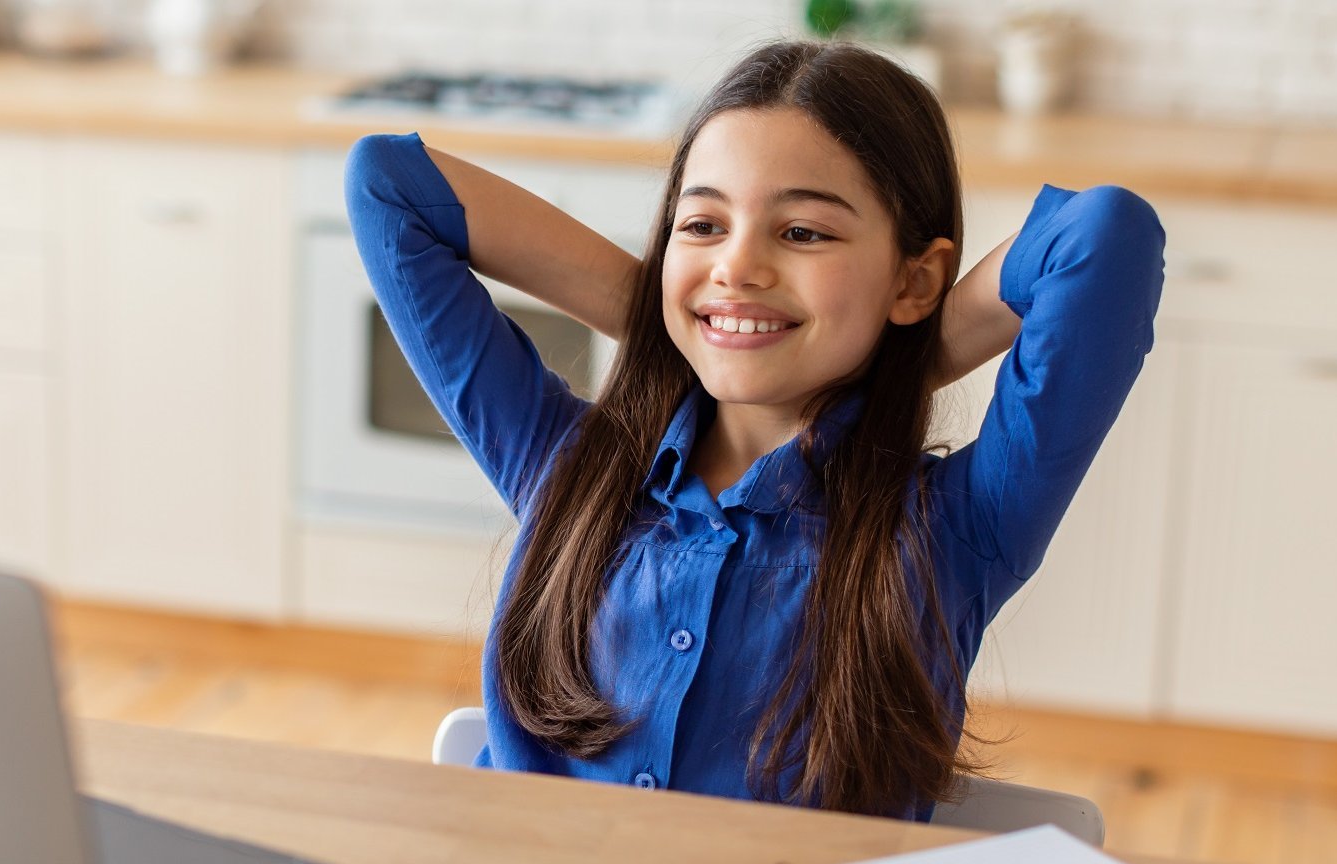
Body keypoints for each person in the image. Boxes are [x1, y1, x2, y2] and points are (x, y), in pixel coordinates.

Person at [343, 40, 1166, 820]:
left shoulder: (955, 528)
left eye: (803, 231)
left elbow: (1103, 238)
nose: (737, 265)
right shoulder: (568, 468)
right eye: (702, 226)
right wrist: (680, 323)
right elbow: (387, 183)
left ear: (915, 279)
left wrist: (898, 356)